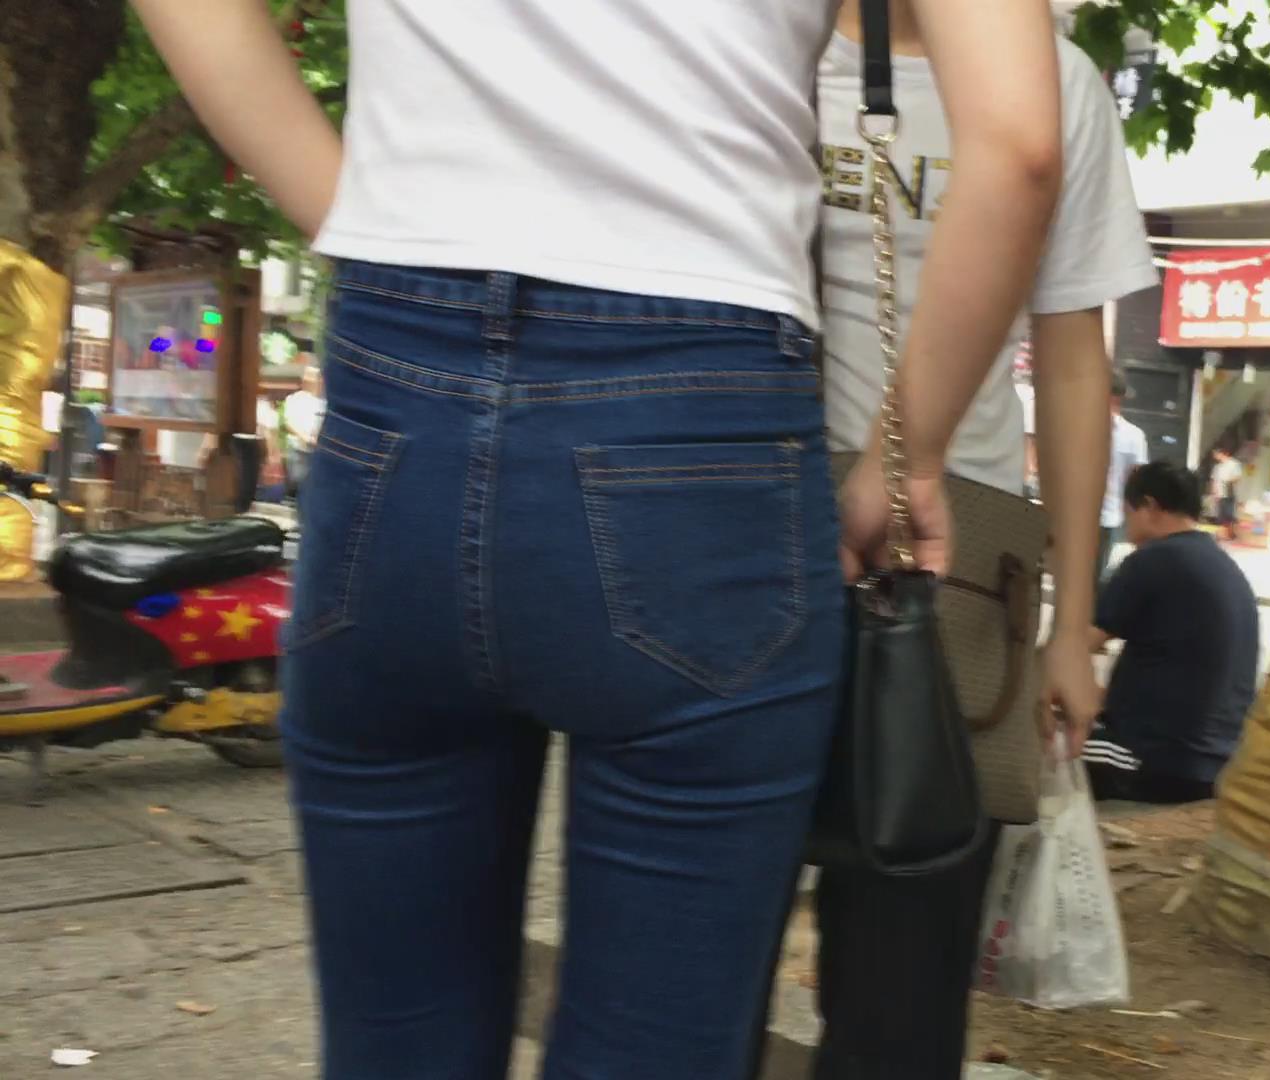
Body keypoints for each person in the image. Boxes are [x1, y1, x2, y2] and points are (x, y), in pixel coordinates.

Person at [130, 2, 1065, 1077]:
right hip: (699, 411)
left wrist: (361, 217)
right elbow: (1019, 145)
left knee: (395, 1040)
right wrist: (909, 459)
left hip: (397, 392)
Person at [800, 5, 1158, 1077]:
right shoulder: (761, 36)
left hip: (954, 561)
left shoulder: (1056, 79)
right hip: (762, 515)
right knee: (701, 964)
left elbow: (1074, 356)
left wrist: (1070, 627)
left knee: (904, 991)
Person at [1083, 462, 1260, 804]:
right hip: (1218, 763)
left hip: (1156, 760)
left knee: (1050, 743)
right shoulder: (1225, 566)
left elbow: (1076, 647)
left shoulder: (1152, 560)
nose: (1126, 525)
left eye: (1128, 513)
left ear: (1149, 506)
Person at [1100, 371, 1150, 582]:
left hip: (1108, 517)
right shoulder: (1081, 429)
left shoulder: (1133, 436)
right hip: (1090, 515)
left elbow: (1136, 479)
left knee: (1093, 575)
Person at [280, 364, 324, 499]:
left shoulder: (324, 402)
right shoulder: (296, 399)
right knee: (297, 482)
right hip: (298, 449)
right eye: (307, 376)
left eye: (313, 377)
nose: (309, 379)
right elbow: (289, 423)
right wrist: (305, 437)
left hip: (318, 450)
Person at [1208, 446, 1244, 541]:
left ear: (1224, 453)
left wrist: (1227, 481)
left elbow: (1237, 477)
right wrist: (1214, 492)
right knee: (1220, 515)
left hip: (1229, 492)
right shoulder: (1217, 467)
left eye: (1217, 454)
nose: (1215, 456)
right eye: (1215, 454)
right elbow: (1214, 480)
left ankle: (1230, 534)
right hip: (1219, 493)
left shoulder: (1234, 464)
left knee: (1229, 514)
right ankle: (1222, 534)